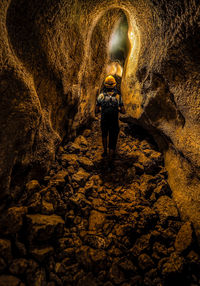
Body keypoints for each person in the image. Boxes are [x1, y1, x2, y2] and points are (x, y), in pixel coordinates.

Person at [95, 75, 125, 158]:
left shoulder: (101, 96)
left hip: (104, 119)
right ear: (114, 85)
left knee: (104, 134)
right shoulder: (118, 97)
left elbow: (96, 110)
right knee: (113, 135)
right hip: (114, 120)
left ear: (105, 85)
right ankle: (111, 154)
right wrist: (117, 109)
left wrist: (102, 110)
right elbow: (123, 111)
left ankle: (105, 152)